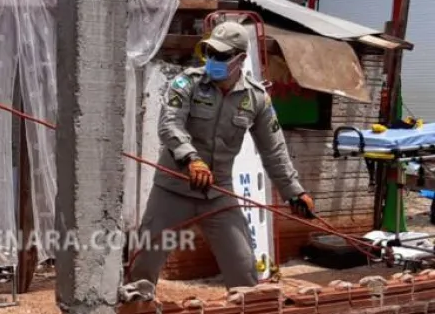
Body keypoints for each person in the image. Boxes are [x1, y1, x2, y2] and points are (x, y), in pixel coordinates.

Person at [129, 21, 316, 290]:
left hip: (217, 192)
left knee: (243, 267)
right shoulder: (187, 83)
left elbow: (273, 150)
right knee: (144, 262)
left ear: (240, 59)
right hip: (173, 188)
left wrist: (294, 192)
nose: (213, 60)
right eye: (210, 53)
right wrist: (191, 159)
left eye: (222, 56)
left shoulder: (256, 98)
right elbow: (169, 125)